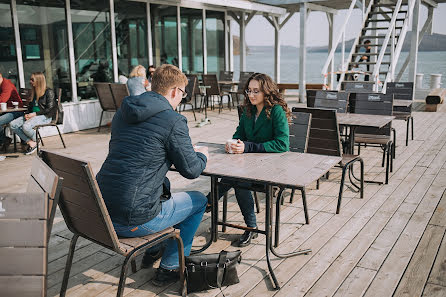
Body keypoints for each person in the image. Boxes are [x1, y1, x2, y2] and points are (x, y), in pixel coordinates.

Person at [96, 64, 209, 286]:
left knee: (160, 189)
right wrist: (202, 155)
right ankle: (170, 267)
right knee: (199, 201)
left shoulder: (123, 112)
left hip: (102, 212)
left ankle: (155, 248)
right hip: (131, 220)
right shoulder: (173, 120)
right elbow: (192, 170)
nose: (181, 100)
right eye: (183, 95)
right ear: (175, 91)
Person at [207, 73, 291, 247]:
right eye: (249, 91)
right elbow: (240, 134)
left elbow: (283, 144)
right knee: (236, 175)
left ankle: (209, 202)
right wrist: (234, 143)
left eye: (256, 91)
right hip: (248, 163)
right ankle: (249, 226)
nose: (251, 95)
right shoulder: (248, 109)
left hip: (272, 166)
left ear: (266, 92)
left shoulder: (276, 110)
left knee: (239, 178)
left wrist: (248, 147)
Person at [9, 72, 56, 155]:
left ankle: (36, 141)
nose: (30, 81)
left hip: (44, 116)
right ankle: (32, 142)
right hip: (33, 115)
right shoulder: (34, 92)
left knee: (26, 126)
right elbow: (30, 107)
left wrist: (34, 114)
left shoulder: (49, 92)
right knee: (13, 124)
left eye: (32, 80)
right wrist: (27, 114)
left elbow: (49, 109)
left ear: (38, 81)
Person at [0, 72, 24, 150]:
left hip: (16, 111)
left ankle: (4, 140)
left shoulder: (7, 85)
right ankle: (4, 139)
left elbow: (2, 100)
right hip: (7, 111)